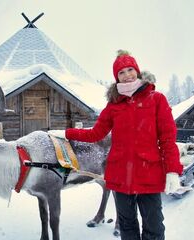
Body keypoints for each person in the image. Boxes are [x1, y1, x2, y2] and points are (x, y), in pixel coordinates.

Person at [49, 50, 183, 240]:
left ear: (137, 71)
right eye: (121, 72)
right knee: (127, 227)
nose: (127, 75)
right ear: (116, 78)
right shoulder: (114, 106)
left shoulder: (156, 99)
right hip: (120, 175)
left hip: (149, 173)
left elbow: (168, 138)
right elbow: (95, 133)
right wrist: (65, 133)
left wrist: (172, 170)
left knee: (154, 227)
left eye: (130, 70)